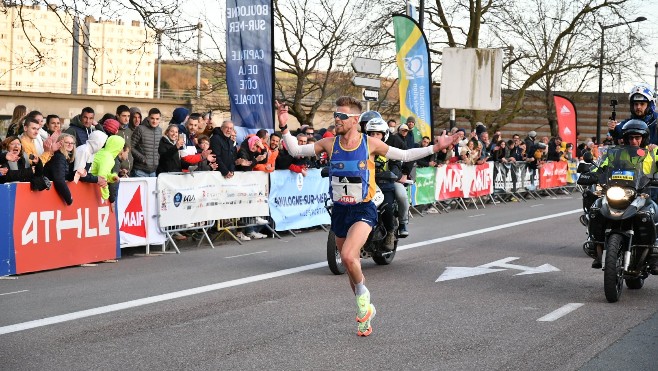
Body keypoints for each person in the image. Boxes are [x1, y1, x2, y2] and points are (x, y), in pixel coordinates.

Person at [275, 97, 457, 337]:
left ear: (353, 120)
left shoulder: (370, 144)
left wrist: (435, 147)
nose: (336, 120)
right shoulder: (330, 144)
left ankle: (364, 296)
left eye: (340, 117)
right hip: (340, 210)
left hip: (363, 208)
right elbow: (296, 150)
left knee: (349, 255)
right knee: (352, 266)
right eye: (335, 116)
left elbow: (403, 155)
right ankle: (364, 316)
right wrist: (284, 126)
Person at [584, 120, 658, 274]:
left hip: (643, 195)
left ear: (644, 138)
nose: (633, 141)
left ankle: (654, 254)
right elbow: (601, 166)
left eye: (637, 137)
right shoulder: (616, 153)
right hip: (618, 192)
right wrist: (591, 173)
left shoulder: (653, 152)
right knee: (596, 207)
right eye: (630, 137)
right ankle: (596, 244)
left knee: (654, 212)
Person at [365, 118, 402, 250]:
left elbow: (396, 165)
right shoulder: (361, 149)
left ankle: (390, 233)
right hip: (364, 186)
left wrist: (393, 173)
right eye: (372, 134)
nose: (374, 137)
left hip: (384, 185)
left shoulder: (389, 150)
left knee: (386, 207)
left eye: (378, 134)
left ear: (384, 134)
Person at [43, 133, 84, 205]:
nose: (70, 144)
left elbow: (64, 175)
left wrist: (75, 173)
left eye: (72, 143)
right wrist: (69, 199)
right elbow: (59, 180)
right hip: (48, 195)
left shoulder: (63, 156)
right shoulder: (59, 157)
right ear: (60, 143)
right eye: (67, 142)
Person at [91, 135, 124, 202]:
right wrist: (106, 195)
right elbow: (102, 177)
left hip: (89, 180)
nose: (121, 150)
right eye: (121, 147)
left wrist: (112, 177)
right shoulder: (108, 158)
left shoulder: (102, 151)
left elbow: (103, 171)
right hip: (90, 185)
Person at [131, 108, 162, 177]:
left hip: (153, 171)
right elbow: (130, 147)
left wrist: (158, 157)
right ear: (148, 118)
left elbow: (158, 148)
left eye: (157, 119)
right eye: (152, 118)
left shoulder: (159, 130)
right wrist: (142, 159)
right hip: (140, 170)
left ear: (160, 119)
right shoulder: (140, 129)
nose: (154, 121)